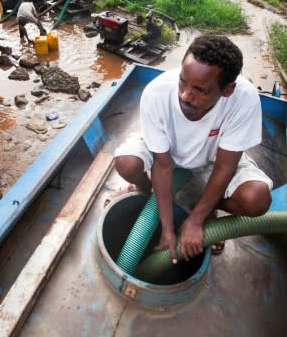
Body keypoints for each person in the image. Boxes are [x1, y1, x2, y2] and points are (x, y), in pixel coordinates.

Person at [113, 35, 273, 262]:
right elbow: (163, 164)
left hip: (213, 158)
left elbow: (224, 167)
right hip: (165, 153)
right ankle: (145, 190)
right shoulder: (157, 93)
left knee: (256, 198)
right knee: (127, 162)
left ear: (227, 90)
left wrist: (196, 220)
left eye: (201, 90)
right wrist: (167, 230)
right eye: (182, 81)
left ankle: (206, 211)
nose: (185, 95)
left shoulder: (243, 99)